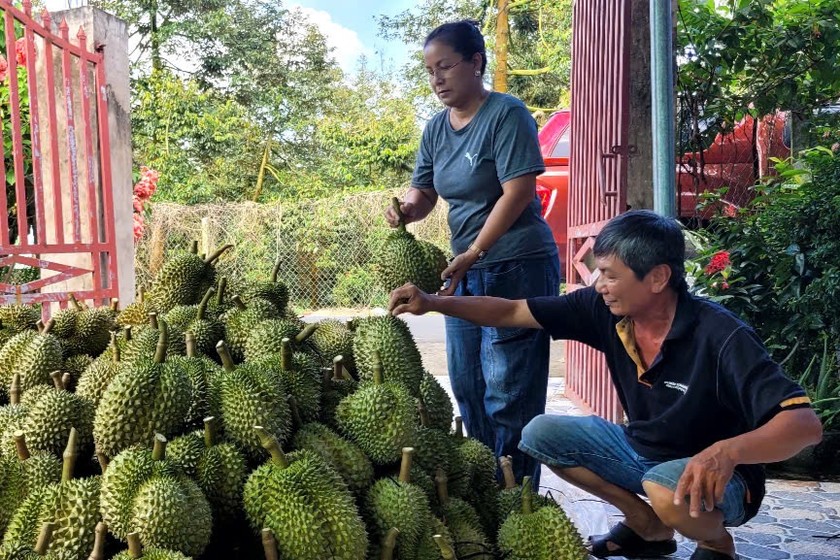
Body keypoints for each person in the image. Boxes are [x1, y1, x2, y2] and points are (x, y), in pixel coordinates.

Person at [388, 210, 823, 560]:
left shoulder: (721, 334)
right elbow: (510, 311)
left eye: (611, 275)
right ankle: (646, 525)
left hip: (720, 480)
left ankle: (716, 545)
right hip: (644, 451)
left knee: (666, 489)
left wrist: (728, 452)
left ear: (657, 278)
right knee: (539, 433)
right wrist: (432, 303)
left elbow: (805, 425)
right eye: (598, 273)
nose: (599, 286)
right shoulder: (605, 310)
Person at [384, 19, 560, 484]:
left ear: (476, 62)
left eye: (445, 66)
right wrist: (406, 210)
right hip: (464, 269)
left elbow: (518, 191)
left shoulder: (507, 114)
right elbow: (424, 194)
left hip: (516, 264)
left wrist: (477, 250)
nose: (437, 79)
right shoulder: (435, 130)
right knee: (469, 384)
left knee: (509, 391)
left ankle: (517, 498)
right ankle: (488, 487)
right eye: (429, 71)